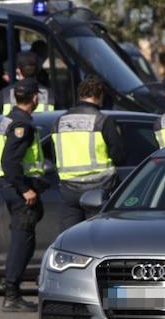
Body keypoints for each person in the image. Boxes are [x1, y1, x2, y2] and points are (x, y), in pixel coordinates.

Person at [0, 80, 47, 312]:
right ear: (35, 98)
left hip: (10, 186)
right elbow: (10, 161)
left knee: (24, 238)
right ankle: (12, 294)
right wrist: (25, 188)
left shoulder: (10, 118)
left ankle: (12, 290)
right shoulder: (22, 124)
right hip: (18, 187)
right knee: (22, 240)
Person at [52, 75, 124, 231]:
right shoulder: (102, 120)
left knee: (69, 237)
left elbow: (54, 153)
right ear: (100, 95)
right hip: (100, 188)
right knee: (98, 236)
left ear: (80, 95)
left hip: (69, 189)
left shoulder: (60, 121)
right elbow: (118, 154)